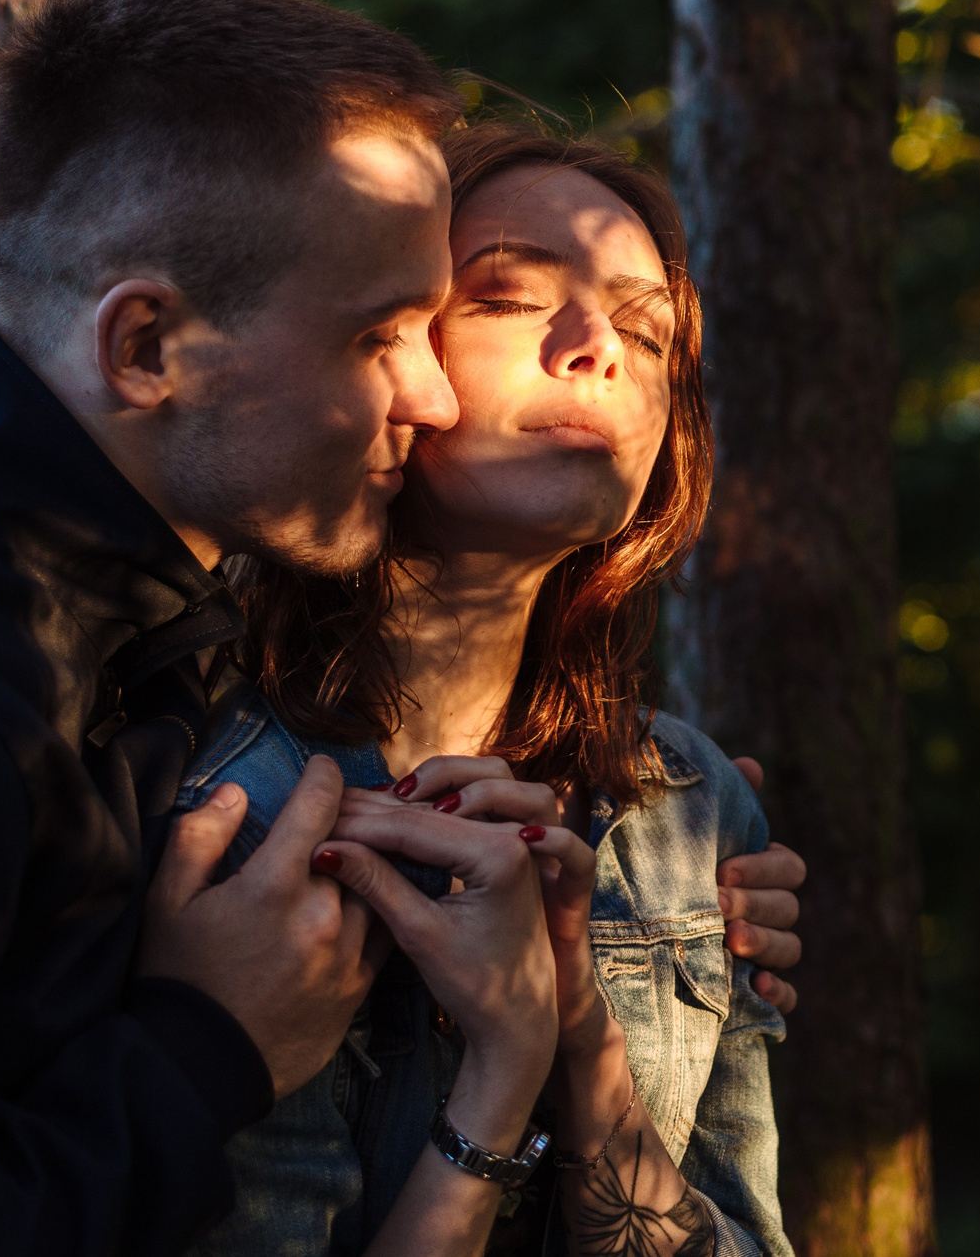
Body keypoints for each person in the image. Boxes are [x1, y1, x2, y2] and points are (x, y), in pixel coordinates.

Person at [0, 0, 800, 1256]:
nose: (423, 397)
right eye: (390, 333)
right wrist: (208, 1046)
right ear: (146, 349)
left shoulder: (116, 655)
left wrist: (611, 974)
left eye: (653, 328)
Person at [176, 123, 795, 1257]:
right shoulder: (223, 803)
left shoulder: (689, 811)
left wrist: (580, 1031)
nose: (596, 346)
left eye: (646, 328)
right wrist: (505, 1070)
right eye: (509, 297)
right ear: (384, 350)